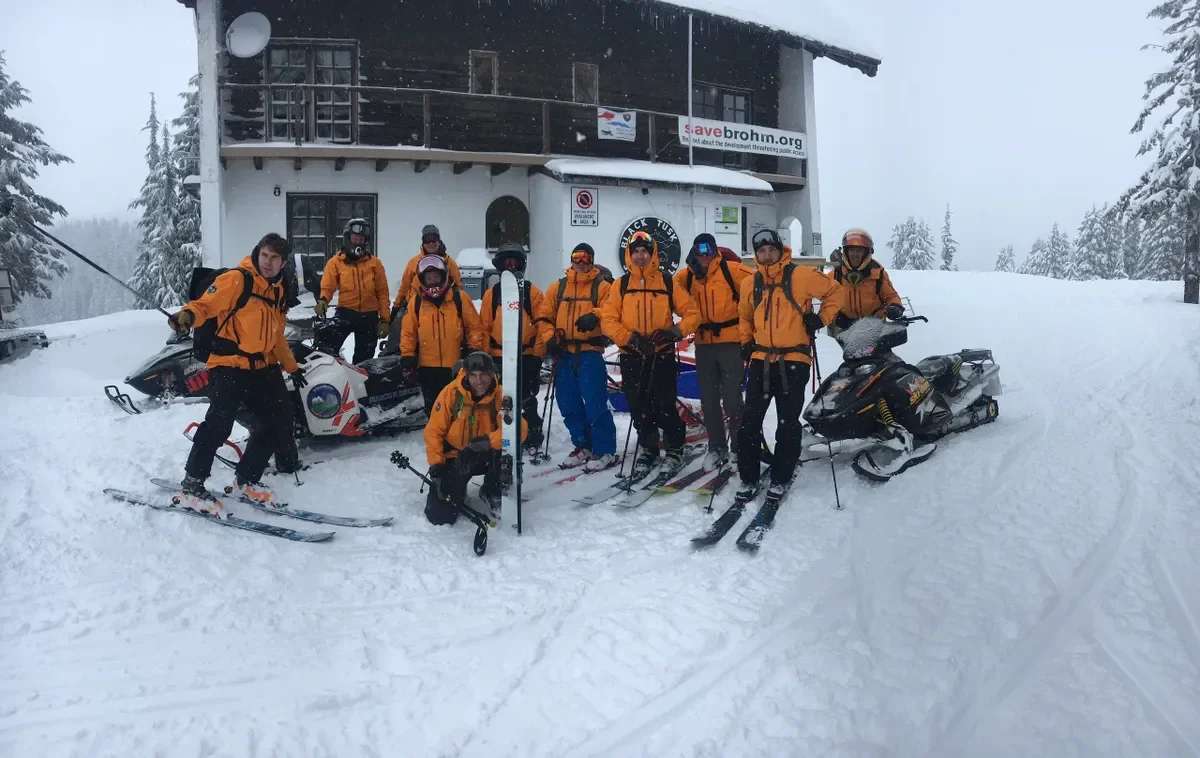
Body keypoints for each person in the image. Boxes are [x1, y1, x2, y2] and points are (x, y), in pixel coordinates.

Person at [166, 233, 305, 516]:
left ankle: (248, 478)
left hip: (261, 366)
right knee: (219, 424)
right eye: (265, 255)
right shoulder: (237, 280)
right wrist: (187, 316)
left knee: (278, 419)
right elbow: (205, 306)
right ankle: (192, 483)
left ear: (282, 263)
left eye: (275, 258)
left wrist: (292, 367)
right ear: (257, 252)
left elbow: (277, 336)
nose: (268, 262)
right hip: (228, 364)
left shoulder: (277, 291)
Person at [736, 229, 845, 501]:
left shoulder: (801, 275)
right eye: (761, 251)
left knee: (787, 423)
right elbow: (744, 316)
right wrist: (745, 341)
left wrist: (821, 319)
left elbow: (835, 291)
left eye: (772, 249)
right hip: (761, 360)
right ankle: (747, 478)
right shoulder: (750, 283)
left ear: (780, 250)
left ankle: (780, 477)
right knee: (749, 421)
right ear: (756, 254)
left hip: (794, 360)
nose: (767, 255)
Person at [601, 230, 700, 479]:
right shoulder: (620, 285)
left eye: (645, 251)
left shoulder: (667, 282)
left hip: (662, 355)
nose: (640, 256)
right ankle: (649, 447)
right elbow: (608, 320)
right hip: (632, 356)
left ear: (652, 253)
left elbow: (693, 313)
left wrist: (674, 332)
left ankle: (675, 447)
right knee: (639, 406)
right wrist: (630, 338)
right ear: (629, 254)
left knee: (665, 405)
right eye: (636, 252)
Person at [674, 233, 753, 471]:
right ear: (694, 251)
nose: (705, 254)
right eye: (700, 249)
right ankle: (717, 447)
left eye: (709, 249)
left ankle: (740, 447)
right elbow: (665, 293)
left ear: (715, 250)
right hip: (703, 344)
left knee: (731, 399)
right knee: (708, 400)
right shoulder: (686, 276)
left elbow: (762, 287)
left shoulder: (733, 271)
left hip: (731, 342)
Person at [537, 243, 619, 472]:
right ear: (571, 259)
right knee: (568, 403)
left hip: (589, 353)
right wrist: (550, 338)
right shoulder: (558, 287)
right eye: (577, 257)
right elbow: (544, 317)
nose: (581, 261)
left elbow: (612, 309)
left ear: (592, 260)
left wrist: (595, 315)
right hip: (564, 354)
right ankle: (583, 445)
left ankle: (605, 450)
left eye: (586, 257)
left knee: (595, 404)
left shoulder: (601, 287)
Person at [423, 351, 527, 524]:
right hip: (457, 457)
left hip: (487, 454)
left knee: (509, 448)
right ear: (466, 375)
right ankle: (458, 489)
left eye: (484, 375)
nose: (479, 381)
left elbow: (519, 430)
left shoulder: (501, 394)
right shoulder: (451, 393)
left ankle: (492, 490)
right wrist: (436, 464)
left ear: (491, 374)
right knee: (440, 516)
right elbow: (434, 431)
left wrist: (483, 443)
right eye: (473, 376)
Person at [479, 244, 552, 454]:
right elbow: (483, 327)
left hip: (526, 355)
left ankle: (532, 436)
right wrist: (484, 357)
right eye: (506, 263)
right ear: (500, 266)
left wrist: (538, 354)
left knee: (527, 398)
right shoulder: (492, 295)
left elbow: (542, 323)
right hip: (498, 356)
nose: (510, 267)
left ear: (522, 265)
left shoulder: (532, 292)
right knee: (501, 399)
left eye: (515, 263)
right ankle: (503, 434)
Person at [400, 254, 484, 417]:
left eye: (436, 277)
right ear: (423, 280)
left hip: (456, 366)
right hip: (427, 368)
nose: (433, 281)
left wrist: (474, 350)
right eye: (429, 278)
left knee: (460, 408)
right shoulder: (416, 303)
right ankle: (437, 439)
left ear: (444, 276)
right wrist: (407, 356)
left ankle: (459, 437)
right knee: (434, 409)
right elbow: (408, 333)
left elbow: (474, 327)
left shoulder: (459, 298)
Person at [314, 218, 392, 364]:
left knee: (364, 360)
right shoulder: (336, 262)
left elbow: (382, 293)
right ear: (347, 238)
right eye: (355, 238)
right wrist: (323, 300)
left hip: (369, 316)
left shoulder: (375, 263)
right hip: (346, 312)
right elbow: (328, 286)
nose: (358, 242)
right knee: (327, 348)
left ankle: (359, 384)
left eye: (362, 239)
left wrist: (385, 320)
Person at [828, 227, 904, 335]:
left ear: (866, 253)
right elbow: (827, 303)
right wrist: (837, 317)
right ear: (845, 252)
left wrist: (896, 307)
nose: (855, 254)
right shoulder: (835, 275)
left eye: (859, 250)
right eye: (852, 250)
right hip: (845, 331)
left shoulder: (878, 274)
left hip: (875, 329)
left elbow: (891, 296)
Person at [390, 224, 464, 320]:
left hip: (443, 309)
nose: (431, 243)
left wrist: (460, 305)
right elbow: (404, 287)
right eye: (427, 240)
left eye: (434, 239)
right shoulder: (414, 263)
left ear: (439, 241)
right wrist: (396, 307)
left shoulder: (449, 263)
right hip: (416, 309)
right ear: (423, 242)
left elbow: (458, 286)